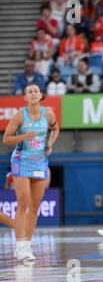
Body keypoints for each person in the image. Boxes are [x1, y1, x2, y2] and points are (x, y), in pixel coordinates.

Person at [2, 83, 60, 261]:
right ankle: (19, 246)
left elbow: (56, 128)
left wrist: (50, 143)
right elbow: (6, 139)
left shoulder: (48, 113)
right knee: (24, 202)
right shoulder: (20, 116)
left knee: (35, 206)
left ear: (41, 95)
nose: (34, 93)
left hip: (40, 162)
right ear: (25, 97)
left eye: (36, 91)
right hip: (21, 161)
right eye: (30, 91)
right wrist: (23, 137)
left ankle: (27, 244)